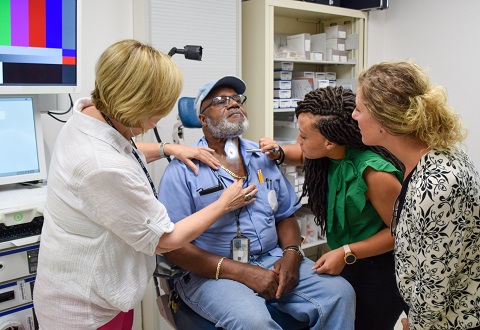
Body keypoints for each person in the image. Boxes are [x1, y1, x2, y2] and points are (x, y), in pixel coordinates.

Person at [33, 40, 258, 330]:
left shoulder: (89, 115)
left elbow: (121, 146)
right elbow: (165, 239)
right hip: (86, 309)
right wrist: (223, 204)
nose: (162, 117)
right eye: (158, 111)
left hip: (90, 283)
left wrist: (167, 148)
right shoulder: (103, 166)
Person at [158, 76, 356, 329]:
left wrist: (292, 253)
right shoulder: (183, 170)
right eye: (220, 101)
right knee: (253, 322)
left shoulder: (262, 157)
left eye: (237, 100)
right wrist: (243, 272)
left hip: (271, 259)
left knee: (340, 293)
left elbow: (284, 215)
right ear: (202, 119)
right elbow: (173, 248)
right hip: (211, 272)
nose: (233, 104)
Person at [260, 86, 404, 330]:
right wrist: (279, 152)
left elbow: (400, 233)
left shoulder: (374, 173)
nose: (298, 140)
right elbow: (304, 155)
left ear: (328, 141)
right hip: (348, 261)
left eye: (303, 136)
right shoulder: (330, 154)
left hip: (379, 273)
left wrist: (347, 251)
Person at [353, 60, 480, 330]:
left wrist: (418, 324)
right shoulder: (429, 159)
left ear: (382, 120)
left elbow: (434, 284)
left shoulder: (436, 185)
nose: (354, 116)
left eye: (358, 109)